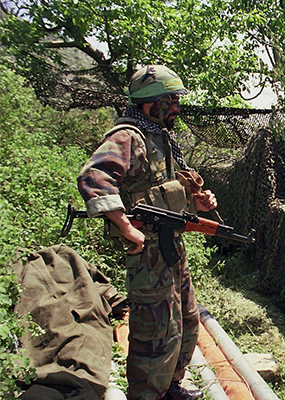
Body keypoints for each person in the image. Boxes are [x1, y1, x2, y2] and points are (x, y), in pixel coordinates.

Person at [77, 65, 216, 400]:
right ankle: (146, 394)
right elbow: (93, 177)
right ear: (148, 102)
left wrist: (199, 200)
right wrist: (125, 226)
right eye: (169, 100)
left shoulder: (162, 139)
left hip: (172, 248)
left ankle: (171, 385)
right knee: (154, 329)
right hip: (148, 254)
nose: (176, 107)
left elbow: (169, 188)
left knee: (185, 319)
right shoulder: (127, 137)